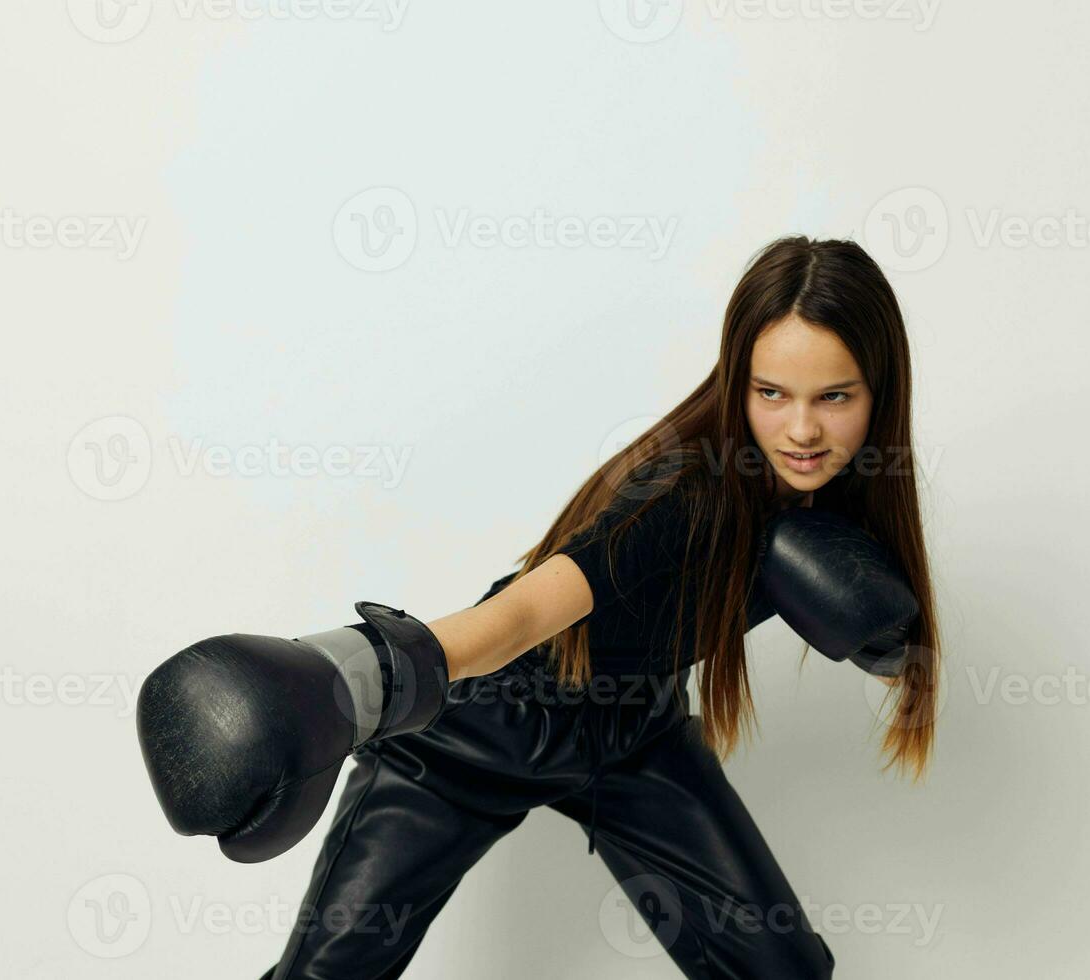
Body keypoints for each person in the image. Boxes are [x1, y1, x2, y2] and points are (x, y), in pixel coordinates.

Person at [138, 235, 941, 978]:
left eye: (834, 396)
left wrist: (889, 637)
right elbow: (523, 614)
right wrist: (359, 677)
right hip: (475, 732)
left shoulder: (833, 509)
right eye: (772, 392)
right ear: (738, 382)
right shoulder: (683, 494)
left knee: (783, 972)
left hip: (630, 736)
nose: (801, 429)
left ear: (880, 390)